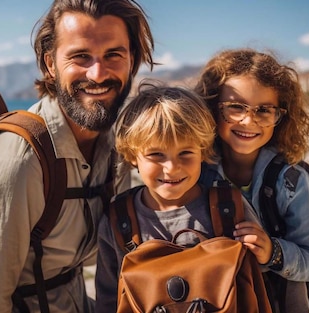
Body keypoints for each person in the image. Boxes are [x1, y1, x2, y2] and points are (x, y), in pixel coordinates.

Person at [0, 0, 155, 312]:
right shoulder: (20, 165)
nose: (98, 73)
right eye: (80, 57)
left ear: (132, 60)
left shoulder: (114, 145)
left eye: (113, 55)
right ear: (50, 64)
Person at [194, 48, 309, 311]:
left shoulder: (291, 181)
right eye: (235, 107)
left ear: (281, 117)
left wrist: (273, 252)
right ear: (211, 106)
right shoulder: (195, 170)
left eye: (264, 110)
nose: (248, 120)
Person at [95, 81, 222, 312]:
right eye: (156, 154)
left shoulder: (226, 208)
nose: (172, 168)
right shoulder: (118, 221)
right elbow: (108, 299)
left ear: (202, 151)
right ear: (133, 155)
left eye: (185, 153)